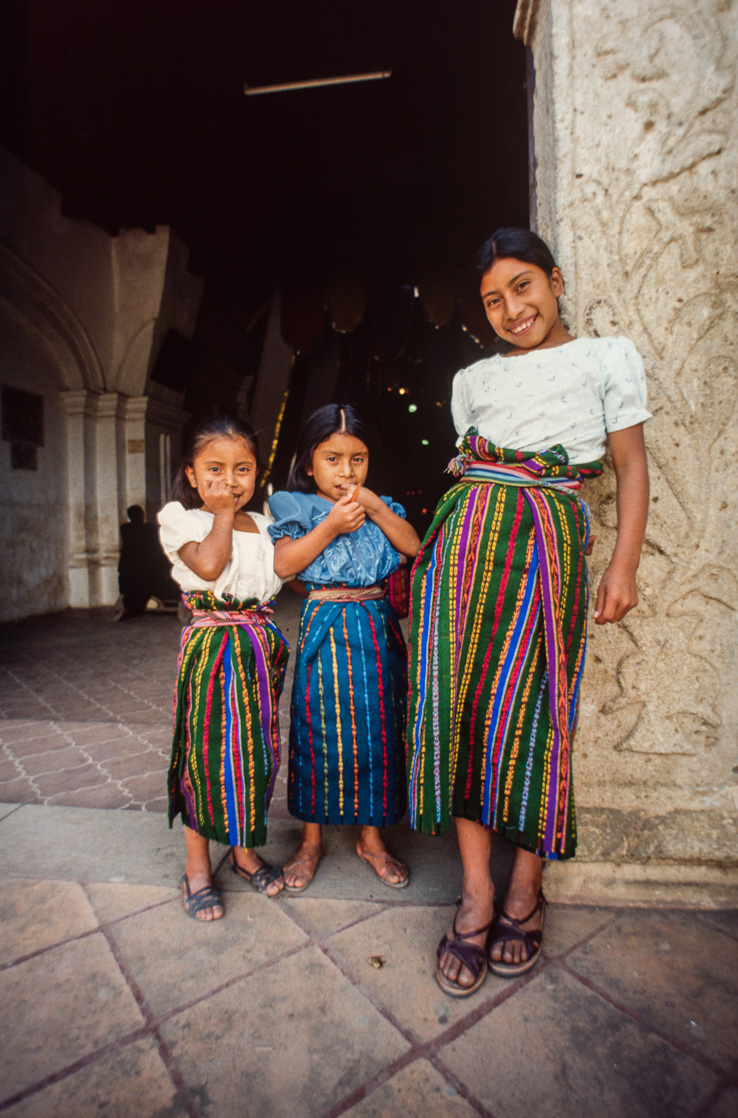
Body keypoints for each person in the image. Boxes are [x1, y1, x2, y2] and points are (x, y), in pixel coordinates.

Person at [407, 227, 650, 995]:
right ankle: (478, 890)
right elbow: (470, 469)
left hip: (545, 545)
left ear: (554, 279)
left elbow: (631, 464)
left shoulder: (607, 357)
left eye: (523, 287)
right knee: (461, 713)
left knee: (539, 714)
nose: (512, 309)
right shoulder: (473, 378)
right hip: (462, 549)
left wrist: (622, 565)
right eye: (492, 301)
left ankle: (525, 888)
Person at [268, 404, 421, 892]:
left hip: (375, 627)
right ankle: (311, 840)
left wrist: (375, 508)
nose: (346, 471)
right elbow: (285, 566)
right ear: (309, 462)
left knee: (378, 729)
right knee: (317, 730)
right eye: (332, 458)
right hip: (325, 627)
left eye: (358, 458)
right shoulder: (294, 506)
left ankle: (371, 838)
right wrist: (330, 526)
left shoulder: (382, 505)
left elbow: (413, 547)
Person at [158, 416, 288, 921]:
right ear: (191, 474)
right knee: (205, 757)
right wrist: (222, 514)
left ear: (257, 474)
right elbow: (210, 567)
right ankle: (196, 866)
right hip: (212, 649)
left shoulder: (270, 525)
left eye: (242, 469)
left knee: (253, 755)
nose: (229, 481)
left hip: (258, 649)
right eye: (215, 468)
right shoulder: (182, 519)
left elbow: (285, 570)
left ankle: (243, 852)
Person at [116, 505, 164, 619]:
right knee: (144, 583)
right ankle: (142, 605)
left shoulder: (124, 528)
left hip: (129, 563)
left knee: (131, 585)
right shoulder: (149, 528)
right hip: (144, 563)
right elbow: (154, 545)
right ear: (142, 516)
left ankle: (131, 606)